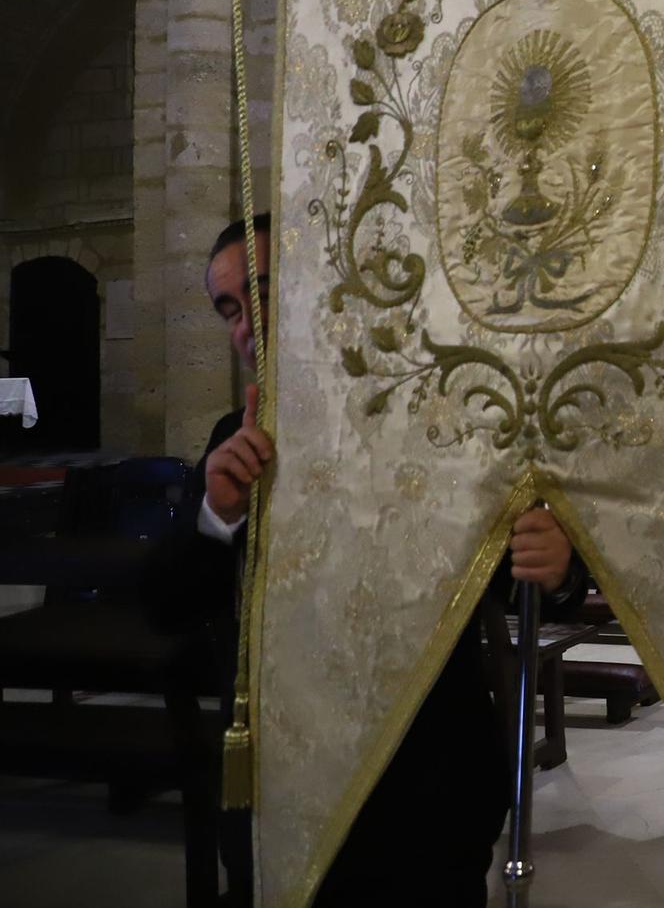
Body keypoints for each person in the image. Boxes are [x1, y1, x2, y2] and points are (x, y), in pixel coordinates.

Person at [157, 214, 586, 905]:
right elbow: (167, 604)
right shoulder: (229, 441)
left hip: (424, 783)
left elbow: (530, 577)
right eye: (230, 310)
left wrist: (557, 564)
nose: (244, 325)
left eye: (261, 293)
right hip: (285, 783)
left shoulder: (436, 418)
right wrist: (217, 516)